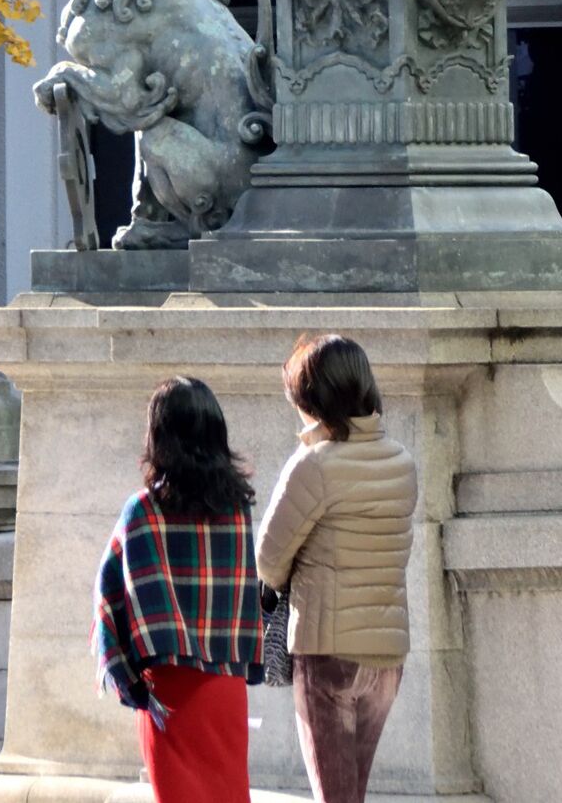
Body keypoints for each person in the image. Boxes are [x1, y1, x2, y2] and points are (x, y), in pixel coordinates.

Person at [256, 334, 418, 803]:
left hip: (327, 652)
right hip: (386, 655)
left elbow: (268, 560)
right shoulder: (402, 463)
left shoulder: (313, 465)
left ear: (313, 399)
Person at [92, 375, 263, 803]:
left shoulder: (143, 510)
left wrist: (127, 681)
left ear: (160, 436)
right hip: (226, 688)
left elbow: (109, 600)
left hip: (169, 691)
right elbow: (246, 598)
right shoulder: (236, 511)